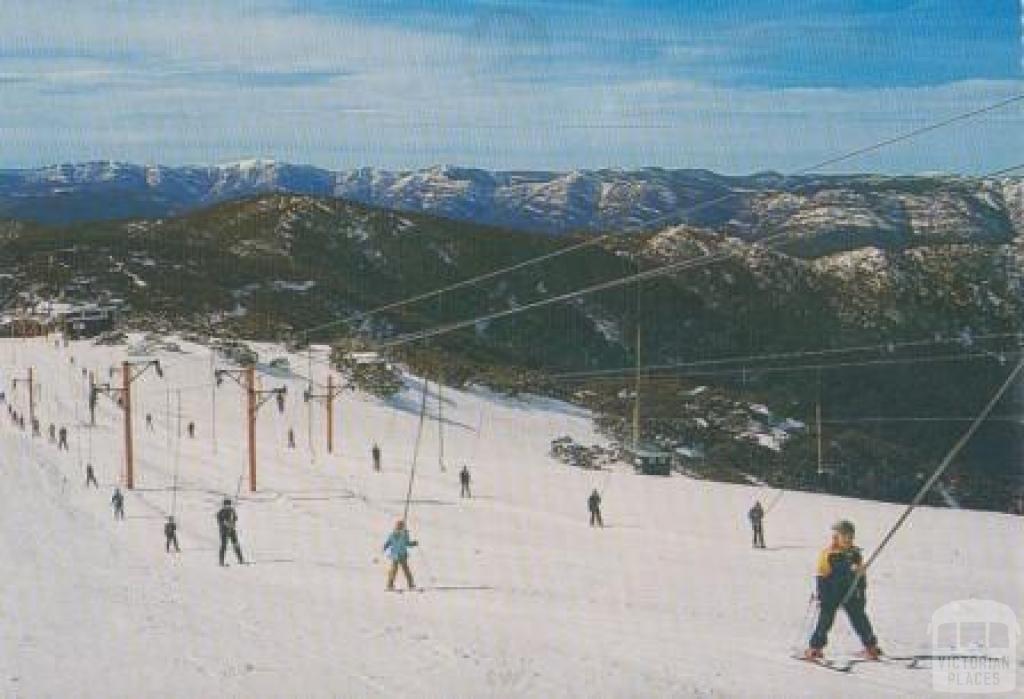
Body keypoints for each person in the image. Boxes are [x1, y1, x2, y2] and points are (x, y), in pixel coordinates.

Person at [804, 520, 881, 661]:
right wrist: (823, 596)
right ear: (836, 537)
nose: (848, 539)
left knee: (859, 618)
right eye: (844, 536)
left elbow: (861, 577)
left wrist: (860, 592)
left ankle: (871, 646)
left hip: (850, 592)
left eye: (850, 536)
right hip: (831, 592)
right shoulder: (830, 553)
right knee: (825, 621)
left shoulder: (855, 554)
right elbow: (834, 569)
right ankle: (815, 648)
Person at [383, 519, 417, 590]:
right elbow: (389, 542)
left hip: (402, 555)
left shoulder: (404, 535)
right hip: (395, 555)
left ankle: (411, 584)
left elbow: (407, 543)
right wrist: (385, 546)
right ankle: (390, 585)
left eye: (400, 527)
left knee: (406, 570)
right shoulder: (393, 535)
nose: (398, 528)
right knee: (394, 570)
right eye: (398, 527)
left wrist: (413, 543)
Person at [216, 498, 244, 566]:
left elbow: (235, 518)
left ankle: (240, 559)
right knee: (224, 545)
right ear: (224, 505)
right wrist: (226, 523)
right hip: (224, 531)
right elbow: (220, 521)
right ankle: (221, 561)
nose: (228, 506)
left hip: (232, 530)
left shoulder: (232, 511)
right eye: (226, 505)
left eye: (229, 505)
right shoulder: (221, 512)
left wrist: (233, 521)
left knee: (236, 544)